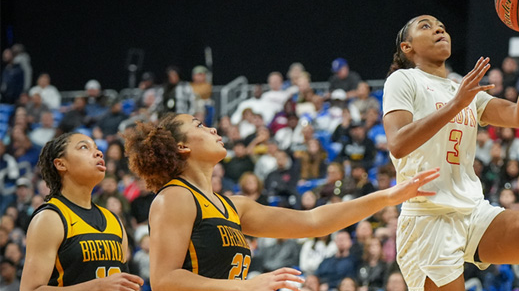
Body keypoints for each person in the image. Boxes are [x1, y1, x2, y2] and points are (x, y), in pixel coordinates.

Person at [382, 8, 519, 291]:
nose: (439, 29)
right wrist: (456, 105)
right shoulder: (404, 80)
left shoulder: (462, 90)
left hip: (472, 211)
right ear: (407, 48)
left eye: (441, 25)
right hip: (428, 219)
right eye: (426, 26)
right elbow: (398, 144)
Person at [123, 113, 440, 290]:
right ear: (181, 147)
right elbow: (164, 280)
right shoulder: (174, 197)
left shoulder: (234, 205)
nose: (213, 128)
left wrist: (388, 196)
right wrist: (247, 286)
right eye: (199, 126)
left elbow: (313, 221)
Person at [20, 133, 145, 290]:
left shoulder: (114, 220)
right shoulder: (50, 218)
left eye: (97, 148)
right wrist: (97, 286)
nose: (99, 153)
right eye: (84, 147)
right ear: (61, 164)